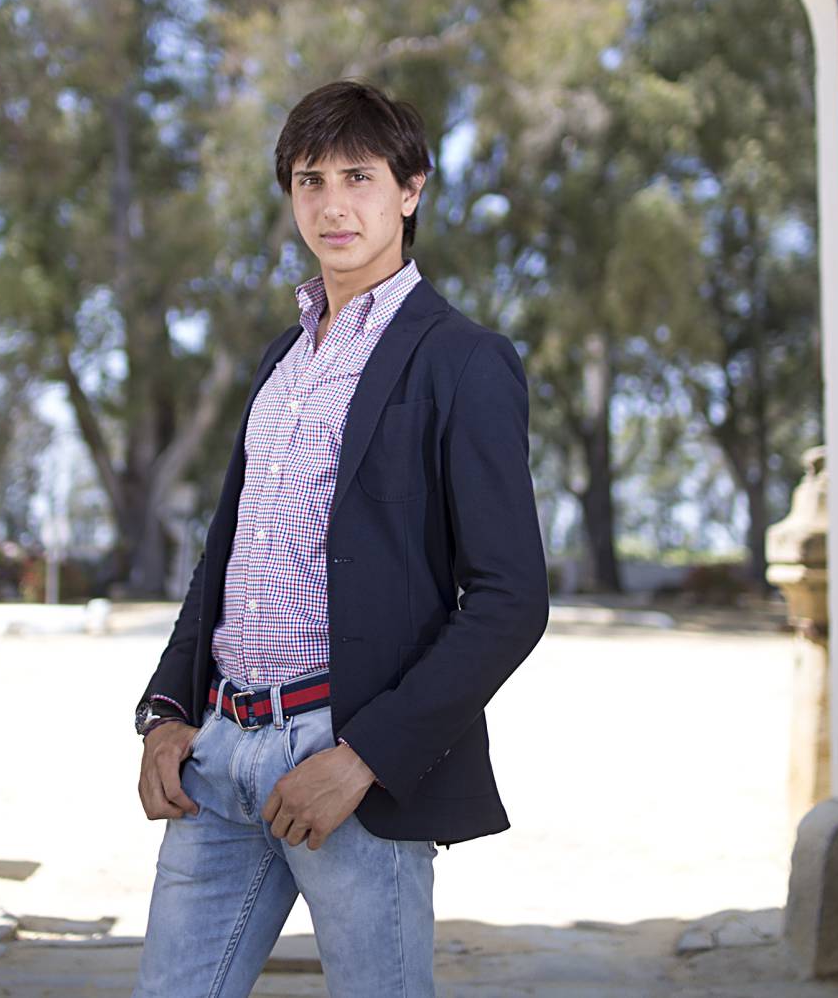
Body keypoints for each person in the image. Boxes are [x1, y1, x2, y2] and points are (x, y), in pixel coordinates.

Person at [130, 79, 550, 997]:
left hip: (344, 763)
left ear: (411, 190)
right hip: (222, 754)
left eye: (359, 176)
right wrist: (165, 713)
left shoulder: (463, 361)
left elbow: (512, 600)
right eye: (310, 180)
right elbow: (227, 556)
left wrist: (364, 760)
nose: (332, 203)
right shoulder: (282, 361)